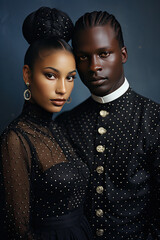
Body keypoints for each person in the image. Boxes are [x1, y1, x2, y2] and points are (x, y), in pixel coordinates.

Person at [56, 11, 160, 239]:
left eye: (104, 53)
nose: (94, 66)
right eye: (83, 57)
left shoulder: (158, 121)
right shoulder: (65, 124)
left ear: (123, 54)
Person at [0, 7, 93, 240]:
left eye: (70, 77)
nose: (62, 88)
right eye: (51, 75)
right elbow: (18, 232)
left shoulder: (58, 127)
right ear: (27, 75)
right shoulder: (16, 139)